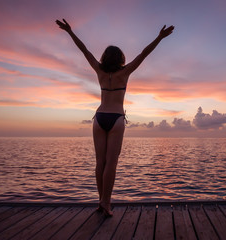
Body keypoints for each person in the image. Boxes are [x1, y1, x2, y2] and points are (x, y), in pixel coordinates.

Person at [56, 18, 174, 216]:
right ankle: (106, 203)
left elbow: (84, 50)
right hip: (117, 119)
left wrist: (69, 32)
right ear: (120, 58)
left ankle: (101, 201)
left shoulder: (99, 70)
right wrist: (159, 38)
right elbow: (143, 54)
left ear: (104, 57)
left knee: (99, 162)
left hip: (99, 117)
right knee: (111, 163)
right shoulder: (125, 72)